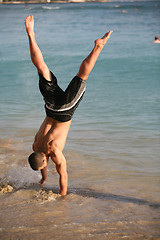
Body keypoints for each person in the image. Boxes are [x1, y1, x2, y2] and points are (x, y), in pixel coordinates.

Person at [25, 15, 113, 196]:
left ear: (44, 162)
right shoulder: (35, 145)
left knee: (82, 76)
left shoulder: (53, 151)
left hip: (65, 110)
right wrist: (43, 179)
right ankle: (31, 34)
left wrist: (63, 196)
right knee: (42, 68)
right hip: (50, 107)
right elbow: (40, 159)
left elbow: (63, 174)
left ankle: (98, 47)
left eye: (44, 167)